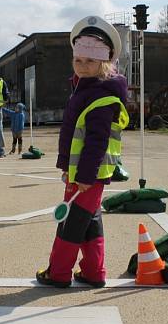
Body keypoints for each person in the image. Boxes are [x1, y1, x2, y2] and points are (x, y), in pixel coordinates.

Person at [36, 15, 129, 288]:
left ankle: (59, 273)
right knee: (89, 222)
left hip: (89, 175)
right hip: (83, 173)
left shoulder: (101, 96)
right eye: (78, 60)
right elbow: (74, 136)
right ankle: (93, 271)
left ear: (105, 62)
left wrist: (85, 175)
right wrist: (67, 167)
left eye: (90, 61)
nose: (83, 66)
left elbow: (97, 141)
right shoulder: (84, 89)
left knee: (70, 224)